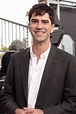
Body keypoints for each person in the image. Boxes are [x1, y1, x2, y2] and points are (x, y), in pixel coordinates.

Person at [1, 3, 76, 114]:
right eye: (35, 21)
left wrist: (43, 112)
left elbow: (73, 102)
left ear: (52, 28)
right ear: (29, 26)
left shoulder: (68, 61)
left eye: (44, 22)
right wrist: (16, 110)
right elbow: (6, 95)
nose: (39, 26)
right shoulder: (16, 59)